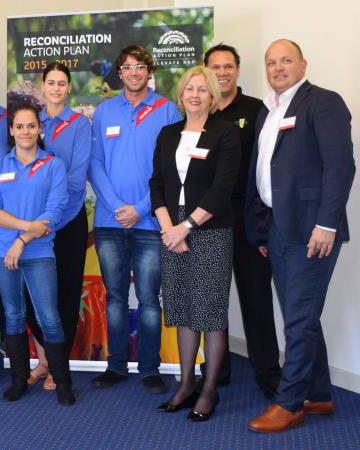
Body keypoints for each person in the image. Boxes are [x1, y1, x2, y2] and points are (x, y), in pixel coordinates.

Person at [247, 39, 355, 433]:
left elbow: (340, 166)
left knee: (299, 319)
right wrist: (262, 229)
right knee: (300, 315)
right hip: (277, 227)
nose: (278, 67)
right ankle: (320, 393)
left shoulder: (323, 102)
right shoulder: (268, 111)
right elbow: (264, 172)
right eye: (271, 62)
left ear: (303, 64)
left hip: (312, 229)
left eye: (286, 60)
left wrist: (326, 224)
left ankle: (289, 402)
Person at [149, 66, 240, 421]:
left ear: (212, 96)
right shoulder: (167, 133)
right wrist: (169, 229)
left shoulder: (225, 133)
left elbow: (222, 190)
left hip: (210, 229)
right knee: (184, 309)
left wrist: (185, 228)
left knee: (211, 313)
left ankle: (209, 389)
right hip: (172, 229)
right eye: (190, 88)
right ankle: (185, 384)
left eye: (203, 89)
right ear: (181, 94)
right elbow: (156, 184)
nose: (196, 95)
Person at [88, 44, 181, 393]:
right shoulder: (104, 111)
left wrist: (140, 208)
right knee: (113, 297)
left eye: (140, 66)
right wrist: (115, 206)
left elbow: (171, 169)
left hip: (151, 222)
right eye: (127, 67)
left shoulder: (168, 110)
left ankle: (149, 368)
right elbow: (95, 163)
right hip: (111, 223)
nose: (133, 72)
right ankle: (115, 365)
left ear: (149, 70)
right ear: (119, 73)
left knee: (147, 299)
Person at [0, 103, 74, 406]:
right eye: (19, 126)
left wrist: (21, 239)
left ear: (40, 129)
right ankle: (19, 380)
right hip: (1, 253)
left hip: (38, 253)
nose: (25, 131)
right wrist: (26, 227)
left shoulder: (53, 165)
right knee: (12, 315)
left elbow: (54, 212)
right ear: (11, 130)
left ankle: (63, 382)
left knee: (49, 317)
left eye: (31, 126)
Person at [203, 43, 280, 397]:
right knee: (212, 300)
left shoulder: (257, 110)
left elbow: (266, 168)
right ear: (206, 71)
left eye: (228, 66)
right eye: (215, 67)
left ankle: (268, 376)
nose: (222, 73)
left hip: (248, 220)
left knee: (256, 300)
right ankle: (217, 371)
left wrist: (264, 224)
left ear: (237, 69)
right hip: (208, 219)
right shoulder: (198, 113)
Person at [26, 62, 91, 391]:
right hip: (32, 224)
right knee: (30, 295)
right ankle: (44, 358)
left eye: (61, 83)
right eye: (50, 82)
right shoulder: (30, 121)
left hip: (65, 222)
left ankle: (57, 365)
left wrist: (48, 220)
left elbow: (76, 180)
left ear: (68, 88)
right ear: (42, 85)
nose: (55, 88)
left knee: (65, 295)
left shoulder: (79, 124)